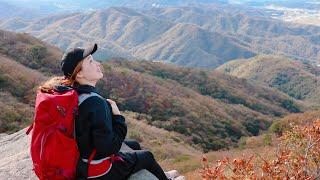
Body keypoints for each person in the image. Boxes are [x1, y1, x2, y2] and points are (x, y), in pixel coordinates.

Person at [40, 43, 185, 180]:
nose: (97, 64)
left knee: (133, 145)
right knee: (147, 156)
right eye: (90, 62)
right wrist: (118, 117)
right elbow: (108, 148)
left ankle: (157, 173)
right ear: (79, 74)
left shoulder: (72, 94)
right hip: (97, 172)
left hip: (81, 160)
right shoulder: (94, 103)